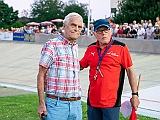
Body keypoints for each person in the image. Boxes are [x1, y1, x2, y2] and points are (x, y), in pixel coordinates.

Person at [79, 19, 140, 120]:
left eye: (106, 30)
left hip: (111, 103)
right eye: (100, 31)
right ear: (94, 34)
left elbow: (130, 70)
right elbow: (80, 65)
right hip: (92, 102)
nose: (103, 34)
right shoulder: (91, 48)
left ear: (110, 31)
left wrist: (135, 95)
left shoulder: (121, 48)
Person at [37, 12, 83, 120]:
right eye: (73, 25)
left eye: (79, 27)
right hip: (56, 106)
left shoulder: (75, 47)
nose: (76, 29)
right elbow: (41, 75)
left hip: (76, 105)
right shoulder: (52, 45)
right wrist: (41, 103)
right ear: (64, 26)